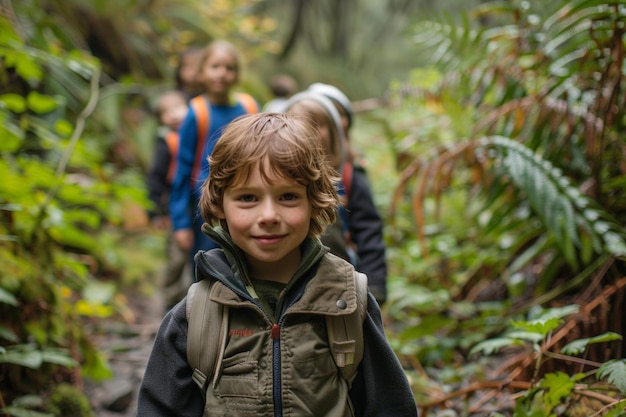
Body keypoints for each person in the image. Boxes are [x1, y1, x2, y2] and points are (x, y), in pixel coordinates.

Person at [136, 113, 418, 416]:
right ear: (220, 204)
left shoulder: (348, 304)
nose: (268, 215)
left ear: (315, 201)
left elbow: (391, 405)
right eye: (247, 198)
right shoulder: (196, 315)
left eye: (287, 196)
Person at [284, 89, 389, 304]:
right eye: (300, 123)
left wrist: (375, 287)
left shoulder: (350, 179)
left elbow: (369, 234)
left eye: (318, 124)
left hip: (341, 288)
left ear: (334, 132)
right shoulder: (279, 182)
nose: (309, 131)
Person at [168, 40, 259, 280]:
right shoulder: (197, 112)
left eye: (229, 68)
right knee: (207, 270)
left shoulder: (249, 107)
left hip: (248, 202)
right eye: (215, 66)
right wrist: (181, 223)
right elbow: (182, 170)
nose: (222, 73)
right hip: (206, 209)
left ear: (237, 73)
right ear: (202, 72)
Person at [146, 90, 191, 311]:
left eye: (177, 107)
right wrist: (155, 211)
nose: (173, 115)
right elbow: (155, 177)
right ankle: (171, 307)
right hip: (177, 207)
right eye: (166, 112)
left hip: (201, 204)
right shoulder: (167, 142)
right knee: (176, 258)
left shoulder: (199, 133)